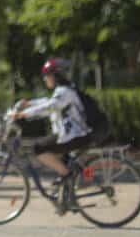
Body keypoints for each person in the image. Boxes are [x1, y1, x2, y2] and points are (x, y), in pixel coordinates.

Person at [12, 57, 92, 214]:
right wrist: (29, 104)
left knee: (38, 148)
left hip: (75, 136)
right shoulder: (64, 91)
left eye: (47, 75)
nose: (44, 78)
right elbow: (48, 101)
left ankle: (68, 176)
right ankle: (67, 196)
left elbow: (50, 106)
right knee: (56, 157)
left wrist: (23, 114)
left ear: (56, 76)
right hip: (70, 135)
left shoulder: (65, 92)